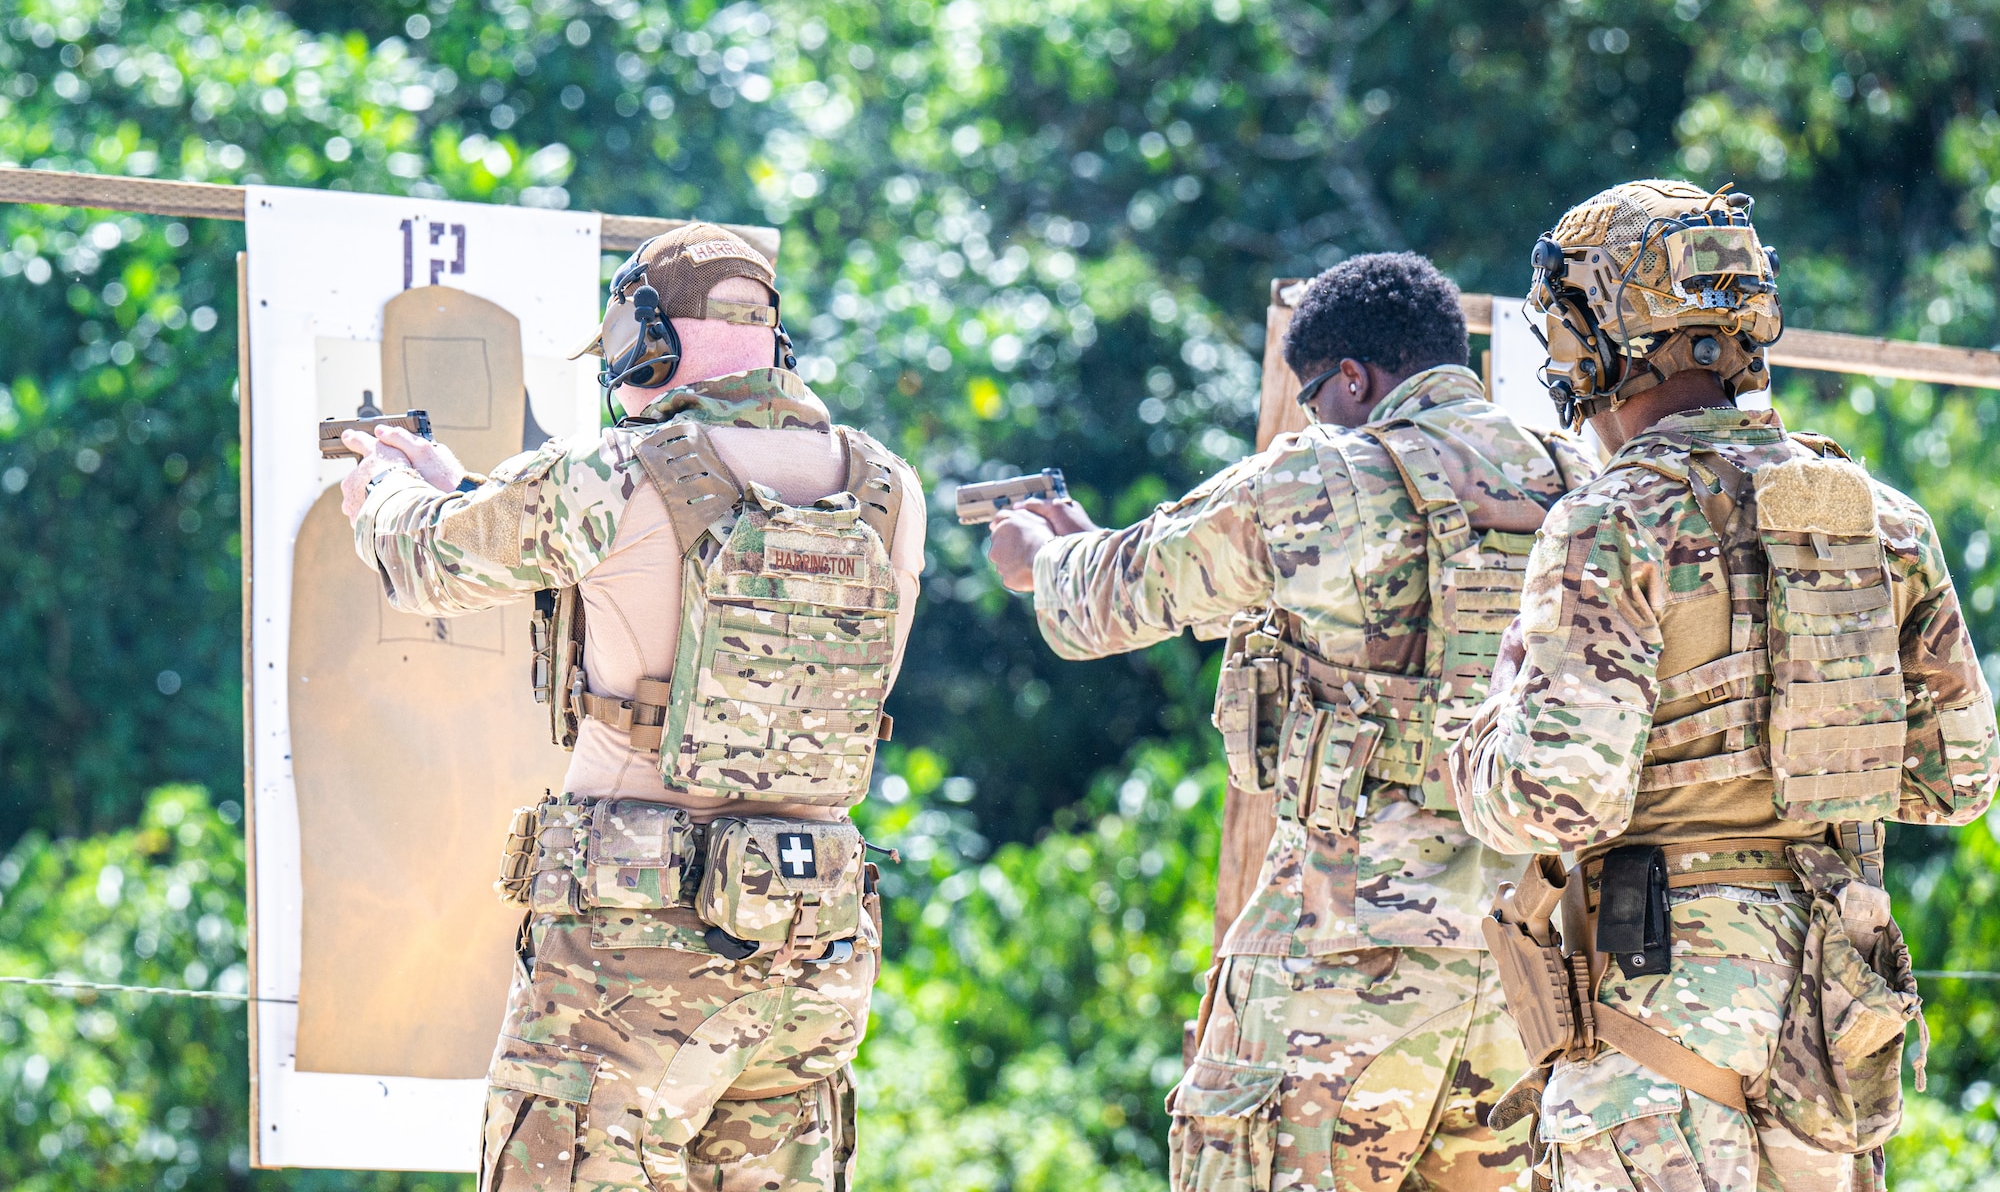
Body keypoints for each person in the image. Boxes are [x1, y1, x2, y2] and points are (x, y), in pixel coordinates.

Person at [987, 252, 1596, 1192]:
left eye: (1315, 395)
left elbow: (1109, 601)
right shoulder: (1575, 477)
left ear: (1354, 376)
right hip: (1522, 972)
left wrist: (1040, 555)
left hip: (1342, 967)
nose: (1316, 415)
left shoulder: (1325, 479)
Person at [339, 223, 925, 1192]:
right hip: (810, 941)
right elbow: (658, 570)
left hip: (632, 943)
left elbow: (427, 558)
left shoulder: (609, 470)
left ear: (648, 335)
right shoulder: (884, 484)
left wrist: (389, 489)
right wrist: (472, 487)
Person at [1452, 179, 1999, 1192]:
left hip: (1655, 1012)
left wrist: (1474, 733)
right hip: (1831, 1016)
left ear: (1591, 341)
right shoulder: (1880, 519)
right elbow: (1958, 778)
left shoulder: (1609, 522)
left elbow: (1554, 796)